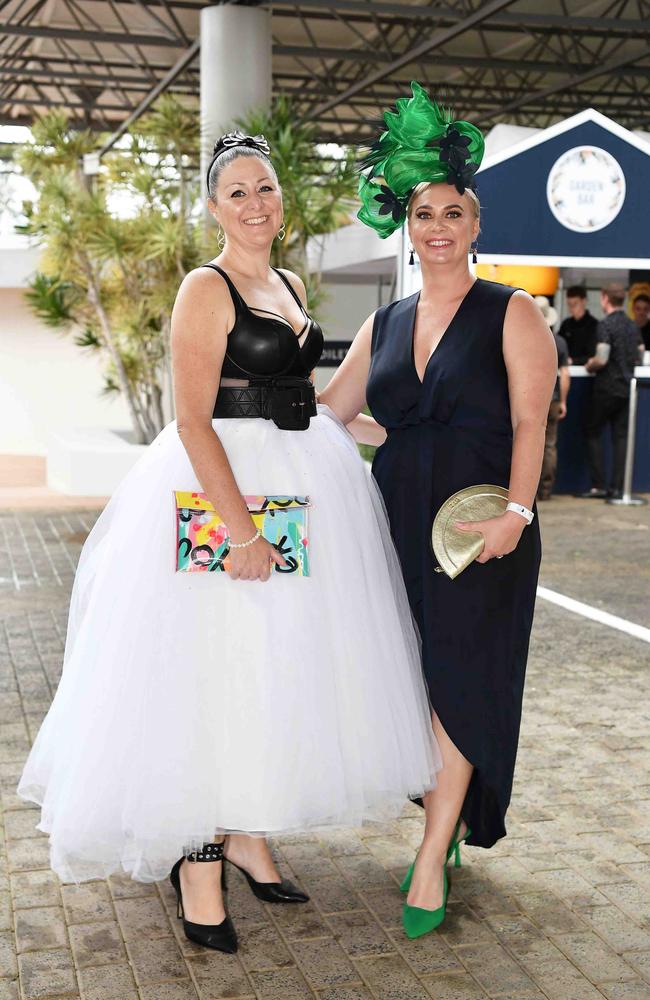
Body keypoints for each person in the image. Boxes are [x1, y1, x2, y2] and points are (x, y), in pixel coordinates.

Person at [17, 131, 441, 953]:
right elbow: (191, 417)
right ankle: (200, 859)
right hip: (222, 490)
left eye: (267, 189)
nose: (256, 204)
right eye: (238, 192)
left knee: (271, 665)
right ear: (213, 207)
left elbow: (305, 397)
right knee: (208, 669)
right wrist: (240, 531)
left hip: (299, 482)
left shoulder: (285, 281)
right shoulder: (202, 289)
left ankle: (246, 831)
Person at [320, 83, 556, 939]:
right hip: (394, 523)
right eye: (424, 213)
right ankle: (443, 819)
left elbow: (532, 423)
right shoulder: (383, 323)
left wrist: (517, 517)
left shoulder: (513, 312)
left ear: (475, 223)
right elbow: (329, 419)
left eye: (453, 212)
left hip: (479, 529)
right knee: (411, 681)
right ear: (407, 226)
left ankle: (430, 854)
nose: (439, 227)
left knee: (459, 684)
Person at [582, 283, 645, 499]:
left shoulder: (605, 325)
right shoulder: (632, 326)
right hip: (628, 389)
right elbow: (640, 352)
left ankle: (598, 485)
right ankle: (618, 487)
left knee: (592, 431)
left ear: (604, 298)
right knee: (621, 438)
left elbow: (601, 358)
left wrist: (589, 364)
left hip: (606, 388)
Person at [534, 296, 570, 500]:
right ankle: (545, 491)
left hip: (529, 398)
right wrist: (563, 401)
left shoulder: (524, 338)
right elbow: (565, 373)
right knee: (549, 445)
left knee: (524, 442)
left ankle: (524, 494)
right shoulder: (560, 342)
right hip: (553, 398)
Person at [557, 285, 598, 364]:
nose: (571, 308)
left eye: (575, 304)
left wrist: (573, 361)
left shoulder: (594, 325)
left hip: (586, 372)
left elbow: (593, 355)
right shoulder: (566, 325)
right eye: (569, 304)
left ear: (584, 301)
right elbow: (559, 346)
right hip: (566, 369)